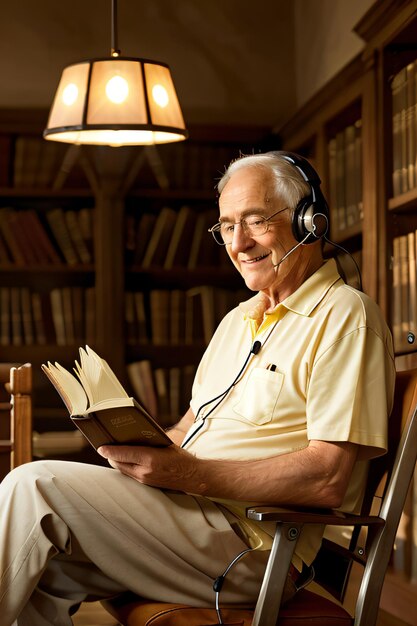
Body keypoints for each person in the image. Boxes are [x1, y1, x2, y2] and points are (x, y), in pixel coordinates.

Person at [0, 151, 395, 626]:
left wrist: (186, 475)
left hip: (256, 547)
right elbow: (189, 428)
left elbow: (325, 477)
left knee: (33, 485)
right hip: (186, 519)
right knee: (44, 563)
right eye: (227, 226)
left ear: (308, 221)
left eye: (255, 221)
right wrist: (136, 447)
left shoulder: (347, 316)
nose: (239, 242)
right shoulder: (237, 321)